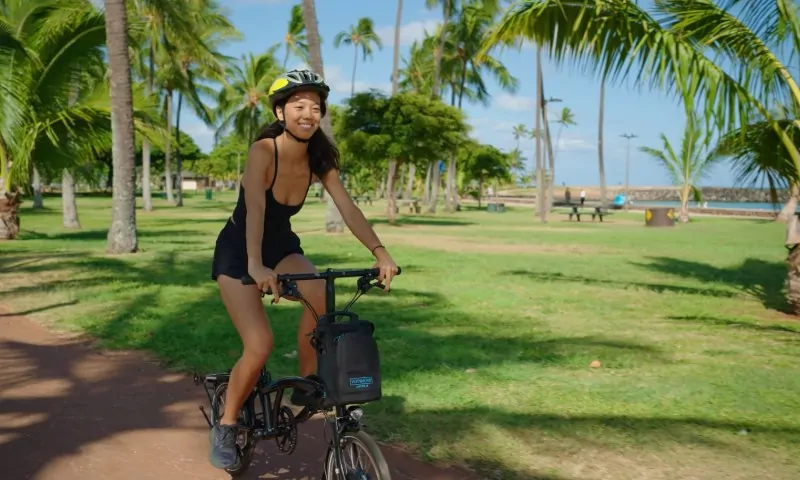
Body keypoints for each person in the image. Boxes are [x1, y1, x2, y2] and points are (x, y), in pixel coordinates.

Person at [207, 69, 398, 470]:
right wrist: (255, 265)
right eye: (299, 106)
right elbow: (255, 209)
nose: (308, 113)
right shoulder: (264, 150)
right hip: (240, 249)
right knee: (259, 345)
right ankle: (225, 426)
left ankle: (309, 384)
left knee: (318, 293)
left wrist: (380, 252)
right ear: (280, 111)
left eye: (315, 107)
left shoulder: (319, 157)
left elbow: (348, 208)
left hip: (280, 246)